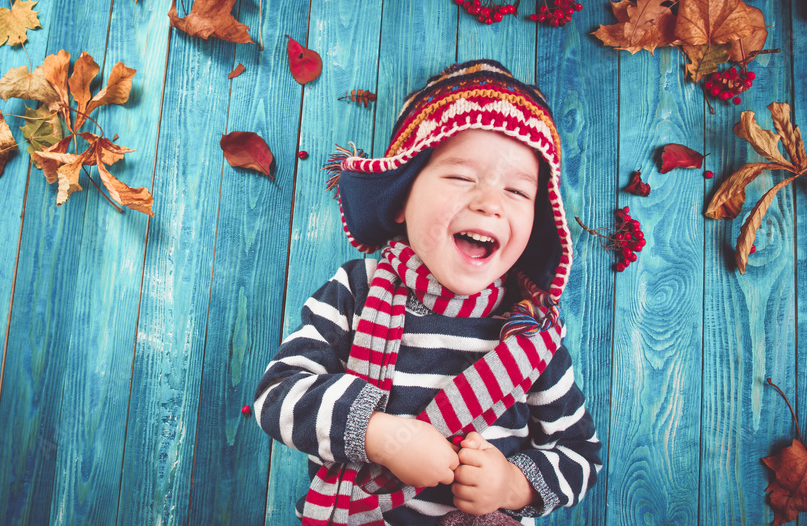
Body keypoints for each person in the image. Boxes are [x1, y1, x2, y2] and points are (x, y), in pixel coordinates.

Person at [255, 60, 601, 525]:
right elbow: (277, 396)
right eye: (461, 177)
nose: (490, 203)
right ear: (400, 200)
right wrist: (377, 435)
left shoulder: (531, 336)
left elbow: (580, 456)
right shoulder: (356, 291)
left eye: (518, 192)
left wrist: (512, 485)